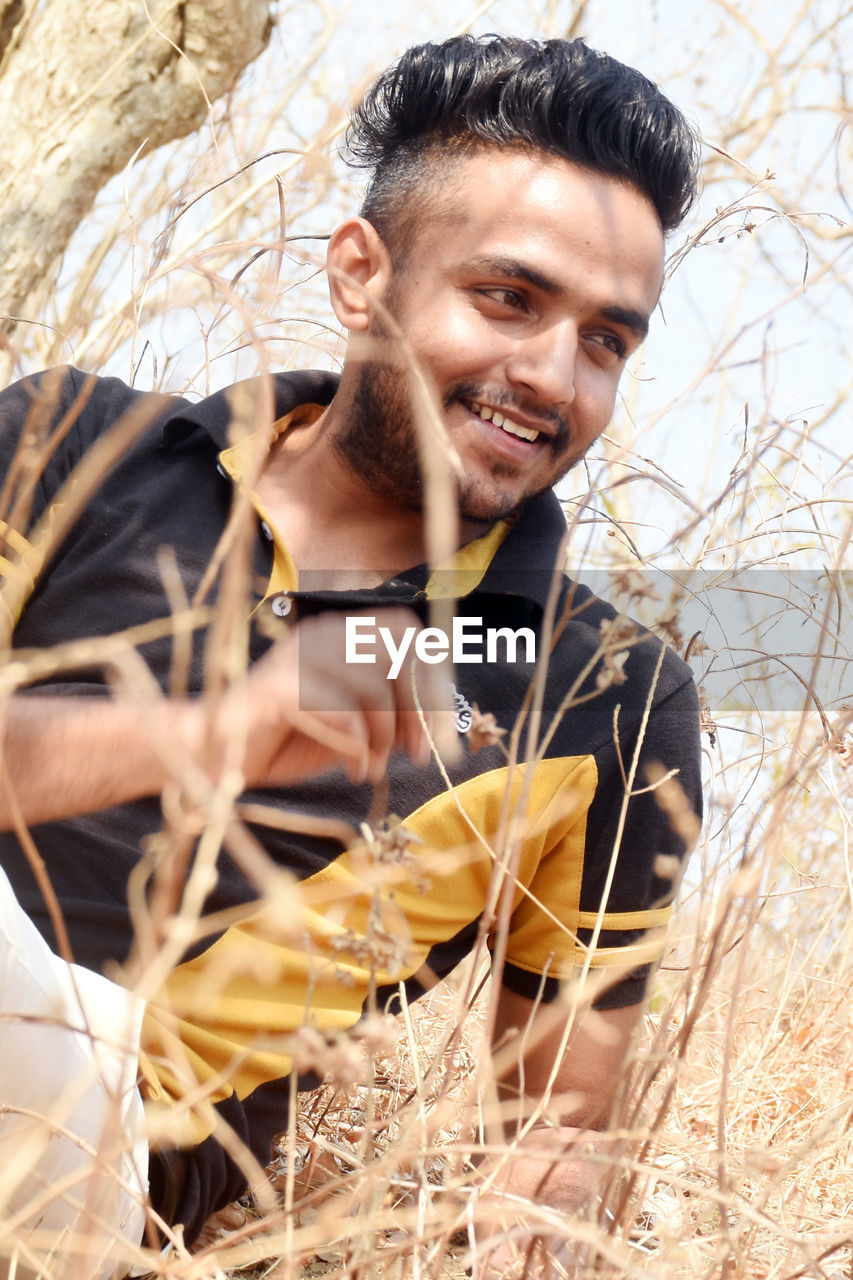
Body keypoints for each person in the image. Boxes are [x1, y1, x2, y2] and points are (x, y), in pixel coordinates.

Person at [0, 33, 703, 1278]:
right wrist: (221, 728)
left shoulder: (606, 695)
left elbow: (552, 1144)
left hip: (103, 1164)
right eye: (508, 298)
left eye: (606, 340)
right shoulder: (67, 443)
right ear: (359, 275)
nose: (550, 377)